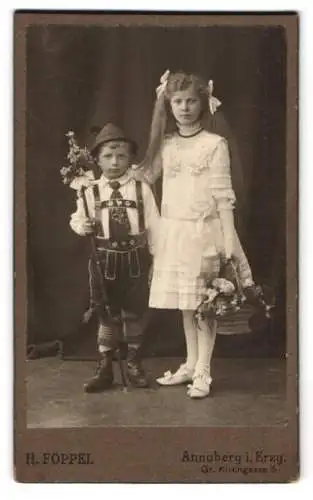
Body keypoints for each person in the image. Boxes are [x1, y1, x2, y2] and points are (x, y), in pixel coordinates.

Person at [139, 70, 255, 399]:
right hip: (174, 234)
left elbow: (223, 197)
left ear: (202, 104)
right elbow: (144, 177)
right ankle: (190, 364)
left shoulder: (214, 144)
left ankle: (204, 370)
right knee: (186, 306)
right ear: (168, 104)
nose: (185, 107)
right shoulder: (166, 144)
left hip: (206, 233)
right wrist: (103, 179)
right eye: (178, 101)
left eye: (191, 101)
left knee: (206, 305)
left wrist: (228, 245)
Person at [69, 123, 160, 392]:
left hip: (135, 259)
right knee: (106, 313)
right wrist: (82, 226)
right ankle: (106, 365)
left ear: (131, 158)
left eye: (121, 156)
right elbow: (77, 219)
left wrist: (157, 260)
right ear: (97, 159)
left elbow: (155, 226)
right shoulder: (89, 191)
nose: (115, 162)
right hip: (104, 260)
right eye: (108, 156)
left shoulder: (142, 189)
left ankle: (132, 362)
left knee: (134, 312)